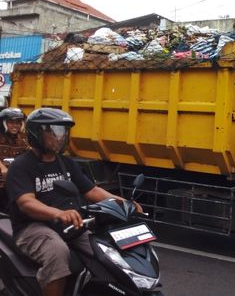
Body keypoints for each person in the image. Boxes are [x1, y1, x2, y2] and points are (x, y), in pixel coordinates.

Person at [6, 108, 143, 296]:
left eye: (63, 132)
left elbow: (92, 191)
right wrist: (57, 213)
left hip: (71, 224)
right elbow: (26, 202)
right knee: (58, 252)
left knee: (109, 252)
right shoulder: (22, 165)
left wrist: (124, 202)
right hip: (33, 227)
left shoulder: (66, 163)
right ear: (36, 133)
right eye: (54, 132)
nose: (60, 137)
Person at [0, 107, 29, 212]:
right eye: (11, 122)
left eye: (18, 122)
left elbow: (29, 156)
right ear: (3, 123)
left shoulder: (22, 141)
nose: (15, 125)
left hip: (12, 183)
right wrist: (2, 167)